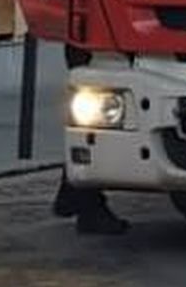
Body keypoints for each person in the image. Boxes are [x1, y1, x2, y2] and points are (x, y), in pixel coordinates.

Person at [51, 44, 128, 236]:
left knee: (90, 119)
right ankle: (84, 199)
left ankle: (75, 192)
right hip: (94, 45)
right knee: (92, 118)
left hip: (88, 44)